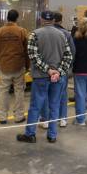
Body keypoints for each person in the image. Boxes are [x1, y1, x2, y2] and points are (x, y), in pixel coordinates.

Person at [17, 11, 73, 144]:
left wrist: (48, 70)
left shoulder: (34, 34)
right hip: (58, 78)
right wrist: (58, 72)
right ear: (53, 20)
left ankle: (30, 134)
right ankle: (52, 135)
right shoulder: (63, 34)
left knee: (36, 106)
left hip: (40, 77)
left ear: (41, 20)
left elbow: (33, 56)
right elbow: (68, 56)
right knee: (54, 106)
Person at [38, 12, 76, 128]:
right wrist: (65, 68)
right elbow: (72, 53)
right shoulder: (65, 34)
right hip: (61, 70)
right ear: (61, 20)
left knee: (45, 95)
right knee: (61, 94)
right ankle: (62, 119)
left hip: (44, 71)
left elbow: (35, 53)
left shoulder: (38, 33)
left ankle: (45, 120)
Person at [0, 9, 29, 124]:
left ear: (6, 18)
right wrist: (27, 66)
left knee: (3, 91)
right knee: (19, 91)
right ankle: (18, 116)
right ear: (17, 18)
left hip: (4, 66)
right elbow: (27, 51)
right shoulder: (22, 31)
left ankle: (2, 117)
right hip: (18, 66)